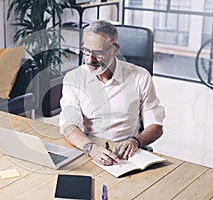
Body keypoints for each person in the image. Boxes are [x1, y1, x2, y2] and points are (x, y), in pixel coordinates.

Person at [59, 20, 165, 166]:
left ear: (115, 49)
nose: (90, 59)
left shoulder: (140, 77)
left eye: (98, 53)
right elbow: (69, 125)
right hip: (88, 149)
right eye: (86, 51)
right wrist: (91, 149)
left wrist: (136, 141)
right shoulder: (73, 78)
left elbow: (156, 126)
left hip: (126, 155)